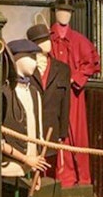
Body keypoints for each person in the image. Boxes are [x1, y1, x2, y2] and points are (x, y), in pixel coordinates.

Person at [46, 0, 100, 188]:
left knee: (76, 135)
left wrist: (74, 78)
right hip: (51, 95)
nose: (64, 15)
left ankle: (80, 179)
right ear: (55, 12)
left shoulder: (79, 40)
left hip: (74, 95)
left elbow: (92, 63)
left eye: (68, 11)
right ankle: (53, 179)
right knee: (52, 134)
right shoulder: (46, 38)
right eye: (61, 10)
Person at [1, 39, 50, 197]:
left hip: (30, 167)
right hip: (8, 169)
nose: (35, 62)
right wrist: (25, 159)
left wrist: (35, 166)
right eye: (31, 56)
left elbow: (39, 135)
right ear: (18, 59)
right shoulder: (3, 94)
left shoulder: (35, 93)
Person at [27, 22, 72, 174]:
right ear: (34, 44)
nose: (48, 43)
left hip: (52, 130)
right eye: (42, 40)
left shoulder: (63, 70)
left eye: (48, 39)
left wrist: (62, 133)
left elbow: (65, 102)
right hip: (29, 131)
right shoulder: (26, 68)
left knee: (50, 175)